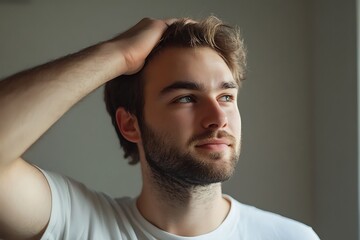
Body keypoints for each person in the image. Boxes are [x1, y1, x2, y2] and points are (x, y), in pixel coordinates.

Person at [0, 16, 319, 240]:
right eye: (185, 98)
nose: (218, 118)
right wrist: (120, 53)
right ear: (130, 124)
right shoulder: (80, 224)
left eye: (225, 96)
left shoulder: (292, 237)